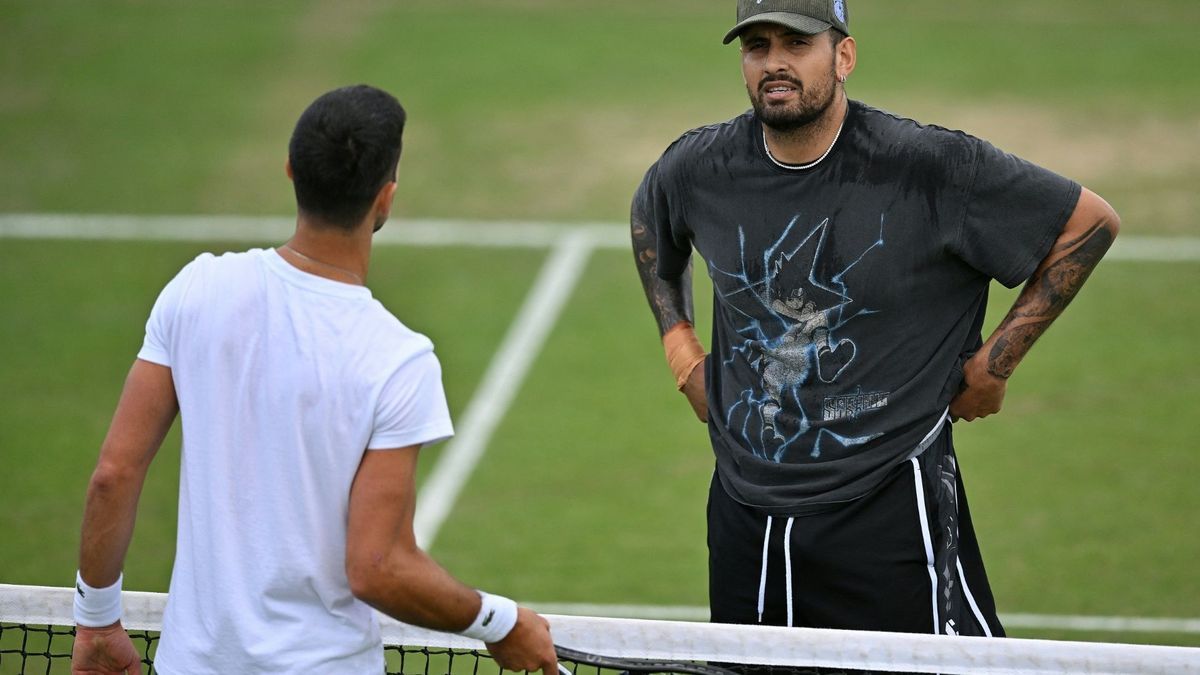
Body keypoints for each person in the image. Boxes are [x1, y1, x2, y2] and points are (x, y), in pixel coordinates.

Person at [631, 0, 1120, 639]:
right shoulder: (699, 166)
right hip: (743, 508)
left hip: (887, 500)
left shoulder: (931, 167)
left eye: (796, 44)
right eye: (756, 46)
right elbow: (650, 216)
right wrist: (681, 349)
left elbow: (1088, 224)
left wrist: (996, 363)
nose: (774, 63)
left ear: (844, 55)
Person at [71, 85, 559, 675]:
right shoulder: (398, 360)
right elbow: (378, 567)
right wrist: (500, 623)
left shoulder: (196, 289)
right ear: (386, 198)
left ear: (290, 171)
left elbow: (113, 476)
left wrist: (97, 621)